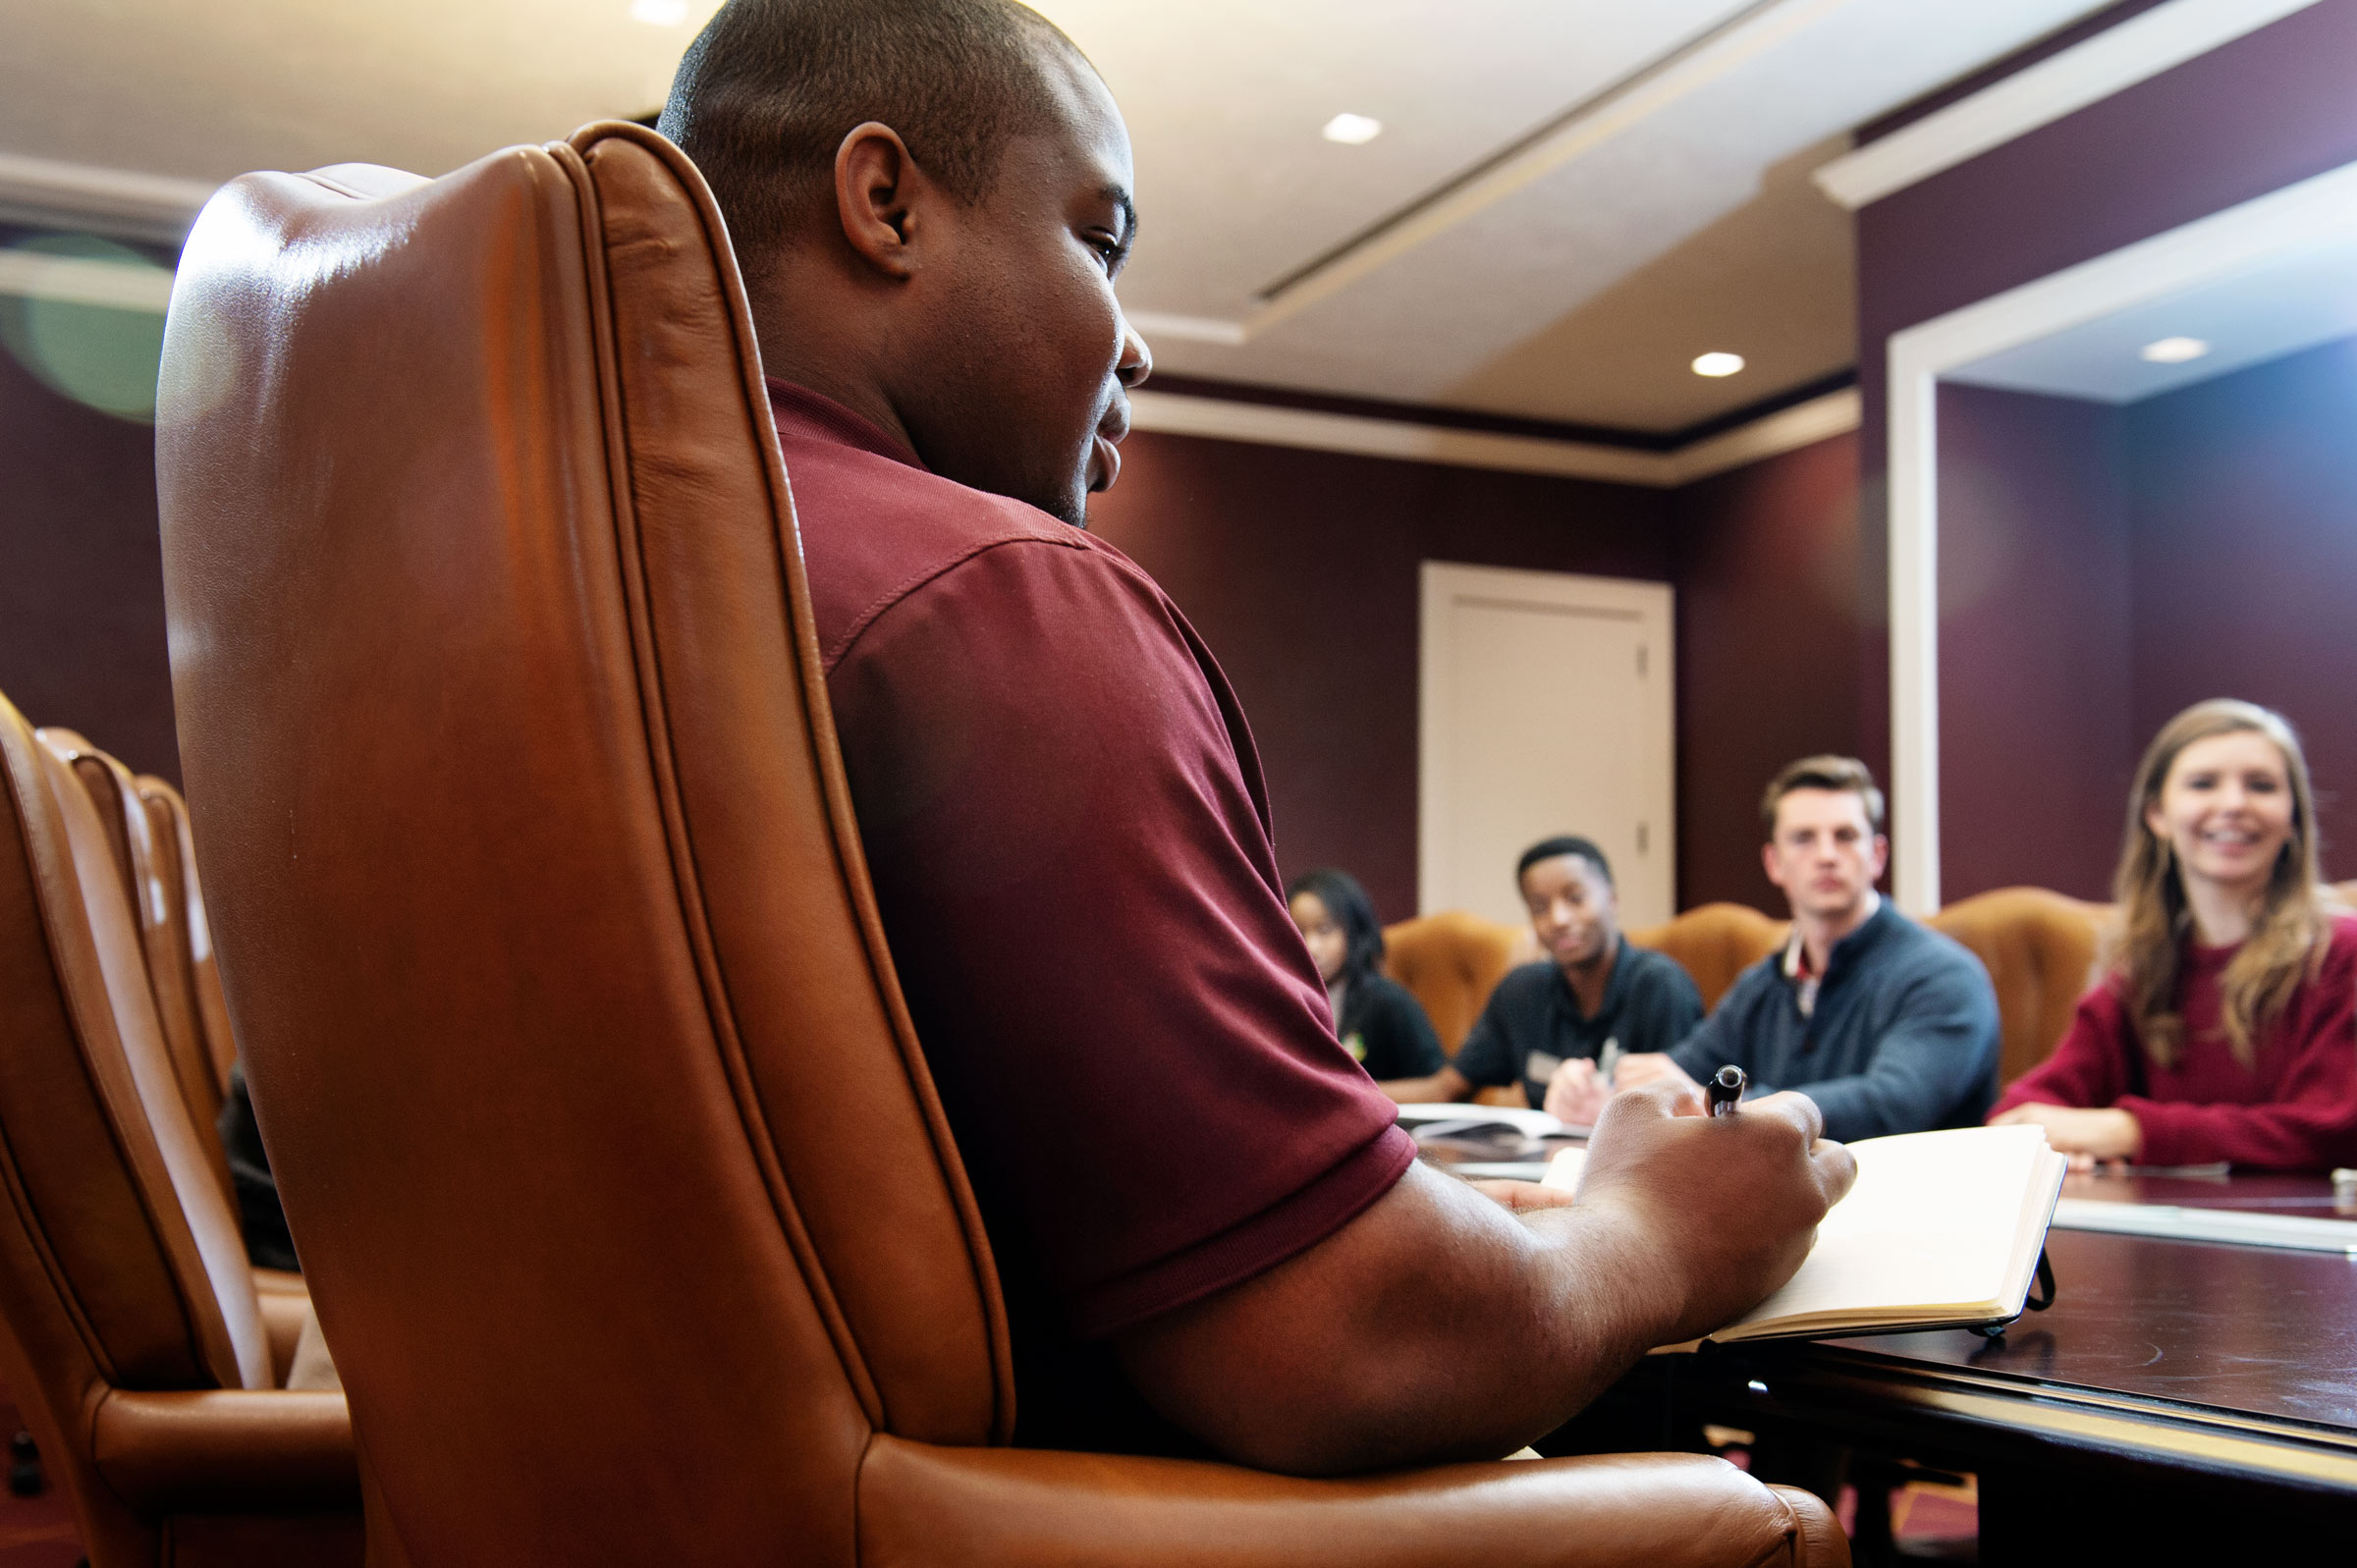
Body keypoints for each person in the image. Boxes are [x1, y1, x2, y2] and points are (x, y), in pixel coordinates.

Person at [662, 0, 1852, 1476]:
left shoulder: (575, 581)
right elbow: (1355, 1346)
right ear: (886, 203)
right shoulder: (992, 602)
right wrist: (1662, 1229)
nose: (1136, 343)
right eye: (1100, 240)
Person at [1992, 700, 2357, 1171]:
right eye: (2203, 784)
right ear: (2157, 814)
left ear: (2292, 818)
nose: (2233, 804)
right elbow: (2023, 1114)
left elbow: (2332, 1132)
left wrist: (2129, 1131)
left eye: (2261, 786)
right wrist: (2063, 1141)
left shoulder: (2342, 954)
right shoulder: (2145, 969)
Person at [1615, 756, 1999, 1142]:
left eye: (1845, 836)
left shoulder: (1945, 976)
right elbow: (1686, 1069)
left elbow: (1892, 1105)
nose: (1827, 855)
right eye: (1803, 838)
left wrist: (1728, 1108)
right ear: (1774, 863)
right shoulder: (1764, 983)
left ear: (1877, 856)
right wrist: (1616, 1089)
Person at [1386, 837, 1702, 1116]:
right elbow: (1447, 1088)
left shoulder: (1661, 986)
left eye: (1575, 899)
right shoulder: (1521, 992)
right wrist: (1351, 1096)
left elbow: (1682, 1113)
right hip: (1546, 1167)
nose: (1558, 919)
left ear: (1612, 900)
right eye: (1539, 907)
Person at [1285, 868, 1446, 1087]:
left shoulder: (1388, 1001)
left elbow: (1438, 1086)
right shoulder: (1286, 1000)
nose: (1311, 947)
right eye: (1299, 932)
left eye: (1324, 930)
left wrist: (1356, 1095)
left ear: (1354, 931)